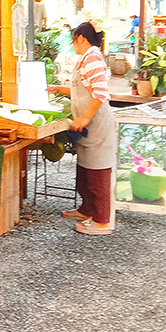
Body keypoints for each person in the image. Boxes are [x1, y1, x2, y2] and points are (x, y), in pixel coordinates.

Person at [48, 21, 117, 236]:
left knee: (98, 174)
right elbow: (83, 90)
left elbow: (100, 93)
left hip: (97, 125)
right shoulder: (85, 59)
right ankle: (87, 210)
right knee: (85, 172)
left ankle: (102, 221)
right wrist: (59, 89)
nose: (72, 45)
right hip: (87, 126)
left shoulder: (94, 58)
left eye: (73, 40)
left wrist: (85, 117)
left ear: (81, 38)